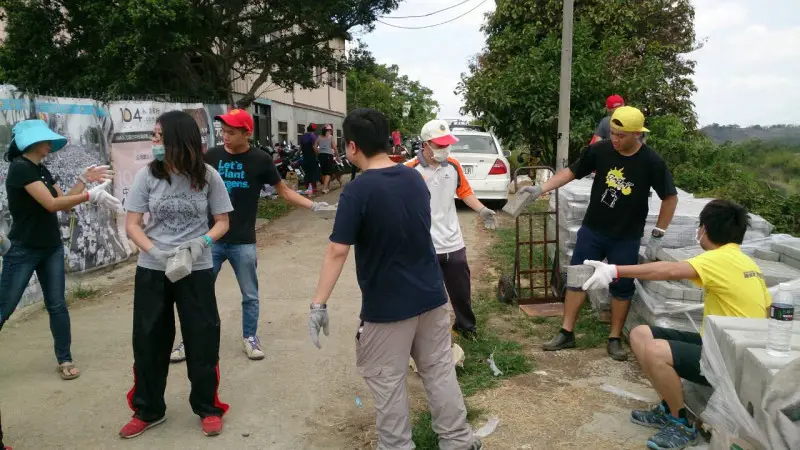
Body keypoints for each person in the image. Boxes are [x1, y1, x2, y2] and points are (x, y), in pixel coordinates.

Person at [307, 108, 482, 450]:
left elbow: (336, 252)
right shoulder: (412, 178)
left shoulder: (358, 191)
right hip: (431, 296)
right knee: (439, 371)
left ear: (352, 146)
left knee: (388, 382)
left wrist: (318, 304)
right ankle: (459, 441)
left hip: (388, 307)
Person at [580, 199, 770, 450]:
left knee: (656, 352)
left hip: (730, 361)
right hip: (723, 345)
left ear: (705, 229)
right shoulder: (745, 263)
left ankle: (681, 424)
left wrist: (614, 270)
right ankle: (668, 407)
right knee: (640, 334)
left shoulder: (720, 259)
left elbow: (669, 270)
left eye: (699, 227)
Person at [169, 109, 329, 363]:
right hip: (211, 240)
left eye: (232, 132)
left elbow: (284, 191)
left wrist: (314, 206)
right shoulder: (211, 156)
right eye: (224, 132)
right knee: (198, 293)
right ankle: (189, 340)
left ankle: (250, 337)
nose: (226, 137)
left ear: (247, 133)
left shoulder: (261, 159)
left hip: (243, 241)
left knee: (250, 295)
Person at [521, 106, 679, 360]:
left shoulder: (652, 162)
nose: (615, 139)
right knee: (576, 279)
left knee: (622, 286)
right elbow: (571, 172)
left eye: (621, 135)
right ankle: (566, 332)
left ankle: (614, 338)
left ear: (637, 134)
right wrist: (542, 188)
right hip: (593, 230)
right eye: (613, 133)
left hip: (626, 236)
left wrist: (658, 233)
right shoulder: (601, 150)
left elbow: (670, 197)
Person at [120, 110, 234, 438]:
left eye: (158, 136)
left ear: (177, 139)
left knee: (202, 335)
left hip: (194, 267)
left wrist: (201, 243)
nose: (153, 142)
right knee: (149, 338)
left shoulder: (209, 176)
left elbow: (222, 222)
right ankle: (148, 408)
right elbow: (132, 224)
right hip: (153, 269)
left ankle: (207, 407)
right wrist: (154, 251)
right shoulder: (148, 176)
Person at [0, 119, 120, 380]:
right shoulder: (20, 169)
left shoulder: (41, 169)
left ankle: (64, 359)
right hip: (23, 249)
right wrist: (89, 195)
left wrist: (83, 181)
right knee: (5, 307)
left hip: (50, 247)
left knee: (57, 305)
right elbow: (51, 205)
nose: (49, 144)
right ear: (31, 142)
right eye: (45, 140)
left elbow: (63, 201)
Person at [405, 119, 497, 339]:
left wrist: (483, 210)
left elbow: (465, 192)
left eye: (447, 144)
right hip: (424, 243)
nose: (445, 149)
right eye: (439, 145)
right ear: (425, 144)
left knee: (461, 290)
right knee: (425, 292)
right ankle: (423, 335)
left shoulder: (453, 166)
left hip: (453, 241)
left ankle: (465, 326)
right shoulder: (409, 171)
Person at [315, 124, 339, 194]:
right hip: (328, 155)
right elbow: (334, 147)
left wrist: (317, 154)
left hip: (321, 155)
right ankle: (325, 188)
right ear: (327, 130)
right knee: (328, 172)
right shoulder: (330, 137)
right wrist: (337, 156)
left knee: (323, 171)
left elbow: (315, 146)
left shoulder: (319, 137)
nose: (330, 131)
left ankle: (326, 187)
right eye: (330, 130)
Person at [299, 125, 320, 194]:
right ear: (313, 130)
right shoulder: (313, 136)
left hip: (305, 156)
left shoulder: (303, 136)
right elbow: (314, 147)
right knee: (313, 171)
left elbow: (301, 147)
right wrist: (317, 154)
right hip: (312, 156)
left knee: (307, 172)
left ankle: (307, 186)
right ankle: (314, 188)